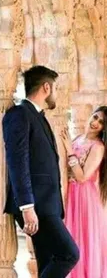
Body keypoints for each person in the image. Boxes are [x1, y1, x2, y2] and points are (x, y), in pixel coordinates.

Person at [2, 65, 79, 278]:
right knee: (69, 254)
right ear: (46, 87)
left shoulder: (40, 116)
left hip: (48, 205)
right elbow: (17, 162)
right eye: (55, 88)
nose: (56, 93)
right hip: (36, 206)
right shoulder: (20, 114)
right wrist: (27, 207)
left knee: (48, 261)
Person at [61, 106, 107, 278]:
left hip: (86, 200)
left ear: (104, 128)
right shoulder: (79, 138)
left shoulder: (98, 147)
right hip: (72, 195)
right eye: (95, 117)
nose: (95, 123)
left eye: (101, 122)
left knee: (84, 241)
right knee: (72, 238)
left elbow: (82, 177)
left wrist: (69, 150)